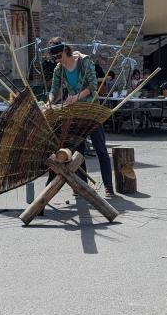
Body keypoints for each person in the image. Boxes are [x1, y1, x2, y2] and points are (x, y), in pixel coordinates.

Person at [45, 37, 115, 198]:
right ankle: (81, 186)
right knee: (78, 150)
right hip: (76, 111)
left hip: (91, 109)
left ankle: (108, 186)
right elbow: (55, 90)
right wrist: (49, 102)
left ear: (64, 51)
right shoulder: (59, 69)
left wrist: (76, 96)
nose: (56, 60)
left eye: (58, 56)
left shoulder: (84, 61)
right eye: (54, 58)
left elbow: (92, 85)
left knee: (100, 149)